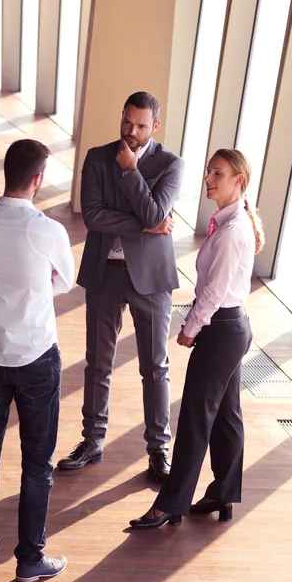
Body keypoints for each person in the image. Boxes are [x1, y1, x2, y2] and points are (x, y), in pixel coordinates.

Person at [129, 148, 264, 529]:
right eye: (209, 172)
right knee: (225, 414)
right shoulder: (229, 222)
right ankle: (223, 493)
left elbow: (214, 292)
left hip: (221, 330)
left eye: (218, 173)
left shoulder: (232, 231)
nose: (208, 179)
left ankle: (170, 504)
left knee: (194, 417)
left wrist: (190, 328)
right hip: (231, 327)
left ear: (238, 180)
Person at [0, 139, 75, 582]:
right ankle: (30, 559)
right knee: (36, 465)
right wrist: (37, 278)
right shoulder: (48, 231)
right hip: (36, 358)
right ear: (38, 179)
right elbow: (64, 281)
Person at [57, 91, 184, 481]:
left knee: (155, 367)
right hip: (105, 273)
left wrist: (130, 172)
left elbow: (155, 214)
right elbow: (93, 217)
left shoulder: (171, 165)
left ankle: (159, 450)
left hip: (151, 279)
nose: (131, 131)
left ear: (155, 126)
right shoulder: (97, 157)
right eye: (127, 121)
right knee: (98, 362)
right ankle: (92, 441)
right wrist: (146, 224)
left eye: (141, 125)